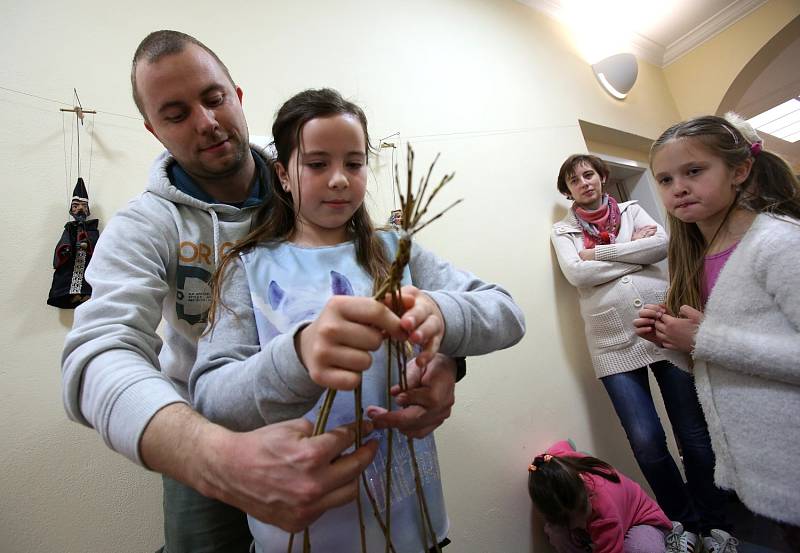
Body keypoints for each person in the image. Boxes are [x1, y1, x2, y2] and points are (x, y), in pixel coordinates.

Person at [61, 31, 461, 553]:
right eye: (176, 113)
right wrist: (216, 458)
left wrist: (447, 359)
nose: (206, 122)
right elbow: (98, 352)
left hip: (348, 418)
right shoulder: (143, 226)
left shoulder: (310, 166)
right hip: (205, 433)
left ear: (237, 94)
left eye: (213, 98)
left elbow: (398, 277)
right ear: (152, 130)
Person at [189, 88, 526, 553]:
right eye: (317, 164)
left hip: (415, 525)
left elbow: (507, 311)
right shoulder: (247, 268)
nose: (340, 180)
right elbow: (210, 394)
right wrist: (298, 357)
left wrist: (442, 316)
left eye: (353, 162)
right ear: (284, 175)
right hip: (302, 534)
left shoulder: (396, 251)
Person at [635, 113, 800, 550]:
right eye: (665, 179)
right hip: (771, 472)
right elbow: (729, 360)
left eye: (694, 171)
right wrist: (674, 340)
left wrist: (703, 339)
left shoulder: (780, 244)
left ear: (740, 170)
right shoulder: (697, 258)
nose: (678, 188)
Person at [550, 154, 729, 551]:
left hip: (663, 330)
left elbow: (660, 246)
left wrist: (600, 253)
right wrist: (632, 251)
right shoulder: (563, 232)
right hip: (611, 345)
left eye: (589, 174)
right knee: (646, 442)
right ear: (568, 190)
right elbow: (577, 274)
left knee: (693, 435)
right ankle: (682, 523)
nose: (584, 182)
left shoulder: (631, 209)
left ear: (601, 177)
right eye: (574, 179)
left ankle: (716, 526)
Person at [528, 440, 672, 553]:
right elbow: (563, 444)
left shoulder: (603, 513)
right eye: (569, 520)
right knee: (556, 533)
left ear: (582, 481)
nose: (579, 522)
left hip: (641, 521)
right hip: (609, 528)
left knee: (642, 550)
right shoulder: (550, 463)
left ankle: (671, 538)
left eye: (582, 510)